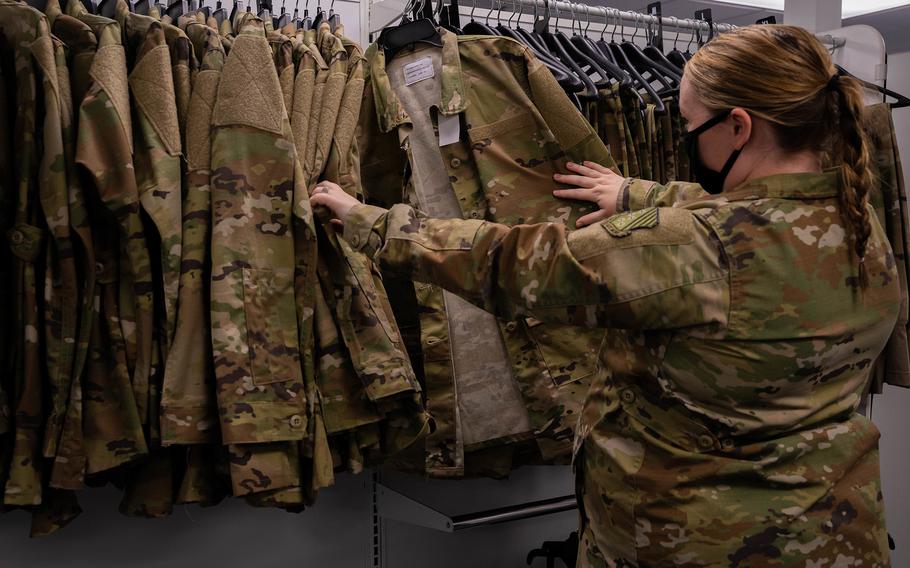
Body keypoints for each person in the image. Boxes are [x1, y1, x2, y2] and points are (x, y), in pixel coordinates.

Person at [311, 25, 899, 567]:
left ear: (739, 127)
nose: (684, 136)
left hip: (702, 545)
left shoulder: (694, 250)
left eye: (689, 125)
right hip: (833, 533)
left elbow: (514, 265)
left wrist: (370, 222)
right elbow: (731, 220)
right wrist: (635, 193)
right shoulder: (856, 220)